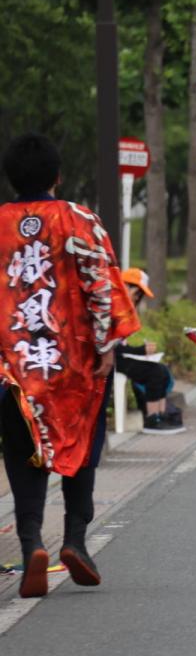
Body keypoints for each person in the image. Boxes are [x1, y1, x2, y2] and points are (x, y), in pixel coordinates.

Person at [0, 133, 140, 596]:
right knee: (81, 446)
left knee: (23, 454)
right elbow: (100, 282)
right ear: (58, 177)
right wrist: (105, 345)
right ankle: (76, 541)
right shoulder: (78, 218)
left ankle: (31, 543)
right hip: (74, 364)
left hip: (15, 368)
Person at [116, 268, 184, 434]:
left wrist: (142, 351)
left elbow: (119, 345)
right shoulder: (114, 308)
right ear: (124, 286)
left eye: (139, 296)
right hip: (112, 360)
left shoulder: (124, 309)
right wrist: (140, 351)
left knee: (160, 370)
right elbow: (114, 347)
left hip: (117, 357)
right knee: (154, 372)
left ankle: (161, 414)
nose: (137, 298)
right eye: (136, 293)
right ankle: (152, 419)